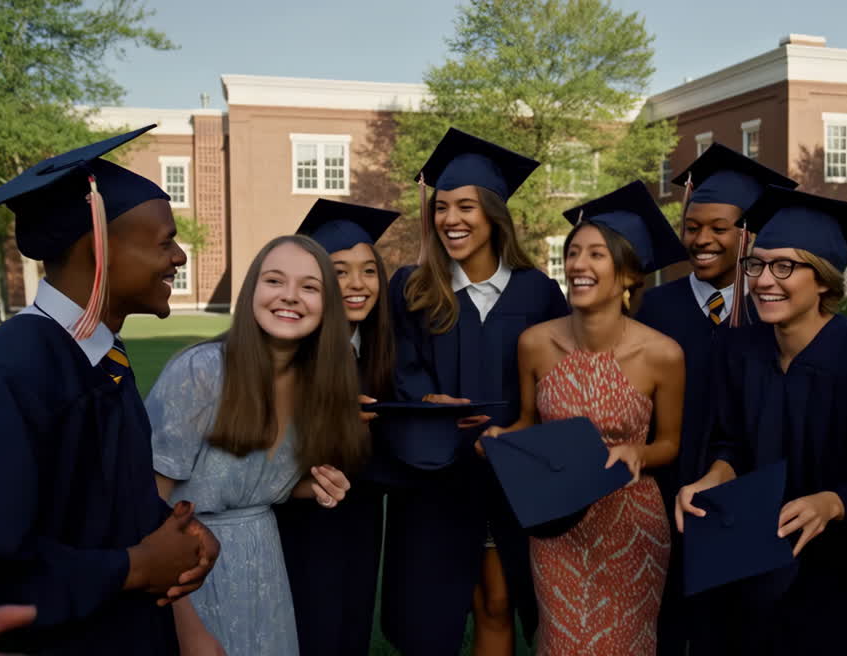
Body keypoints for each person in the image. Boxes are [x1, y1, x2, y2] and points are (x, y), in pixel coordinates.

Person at [0, 126, 221, 655]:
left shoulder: (98, 361)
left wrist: (173, 533)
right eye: (164, 240)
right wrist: (134, 568)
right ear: (96, 246)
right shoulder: (3, 381)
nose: (180, 258)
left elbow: (84, 503)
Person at [675, 186, 847, 655]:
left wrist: (834, 502)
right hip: (751, 558)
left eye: (784, 266)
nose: (764, 280)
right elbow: (731, 444)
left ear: (823, 279)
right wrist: (711, 478)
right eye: (757, 264)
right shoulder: (740, 349)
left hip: (842, 568)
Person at [385, 128, 569, 656]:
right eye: (441, 207)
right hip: (438, 473)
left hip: (513, 476)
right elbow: (403, 363)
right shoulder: (414, 287)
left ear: (493, 213)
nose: (450, 219)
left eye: (465, 206)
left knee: (497, 599)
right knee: (441, 609)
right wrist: (425, 401)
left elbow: (558, 382)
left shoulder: (539, 292)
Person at [484, 180, 686, 655]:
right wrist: (501, 440)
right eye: (574, 253)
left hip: (631, 525)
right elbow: (529, 422)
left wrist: (638, 450)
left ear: (629, 275)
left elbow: (670, 443)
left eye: (596, 255)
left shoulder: (663, 355)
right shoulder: (535, 344)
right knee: (561, 643)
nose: (577, 265)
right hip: (557, 524)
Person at [146, 235, 366, 656]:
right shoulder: (203, 372)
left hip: (264, 566)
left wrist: (313, 485)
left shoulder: (315, 385)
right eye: (274, 280)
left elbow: (255, 484)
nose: (290, 296)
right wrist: (188, 627)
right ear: (252, 291)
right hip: (191, 571)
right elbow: (147, 508)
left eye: (309, 286)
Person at [634, 143, 795, 654]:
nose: (700, 240)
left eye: (718, 228)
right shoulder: (656, 307)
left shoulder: (777, 314)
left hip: (751, 507)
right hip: (664, 502)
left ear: (748, 233)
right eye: (692, 227)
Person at [275, 200, 399, 656]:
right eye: (340, 271)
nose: (357, 284)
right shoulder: (290, 351)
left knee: (352, 626)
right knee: (312, 628)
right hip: (302, 519)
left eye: (369, 271)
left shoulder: (373, 347)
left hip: (361, 518)